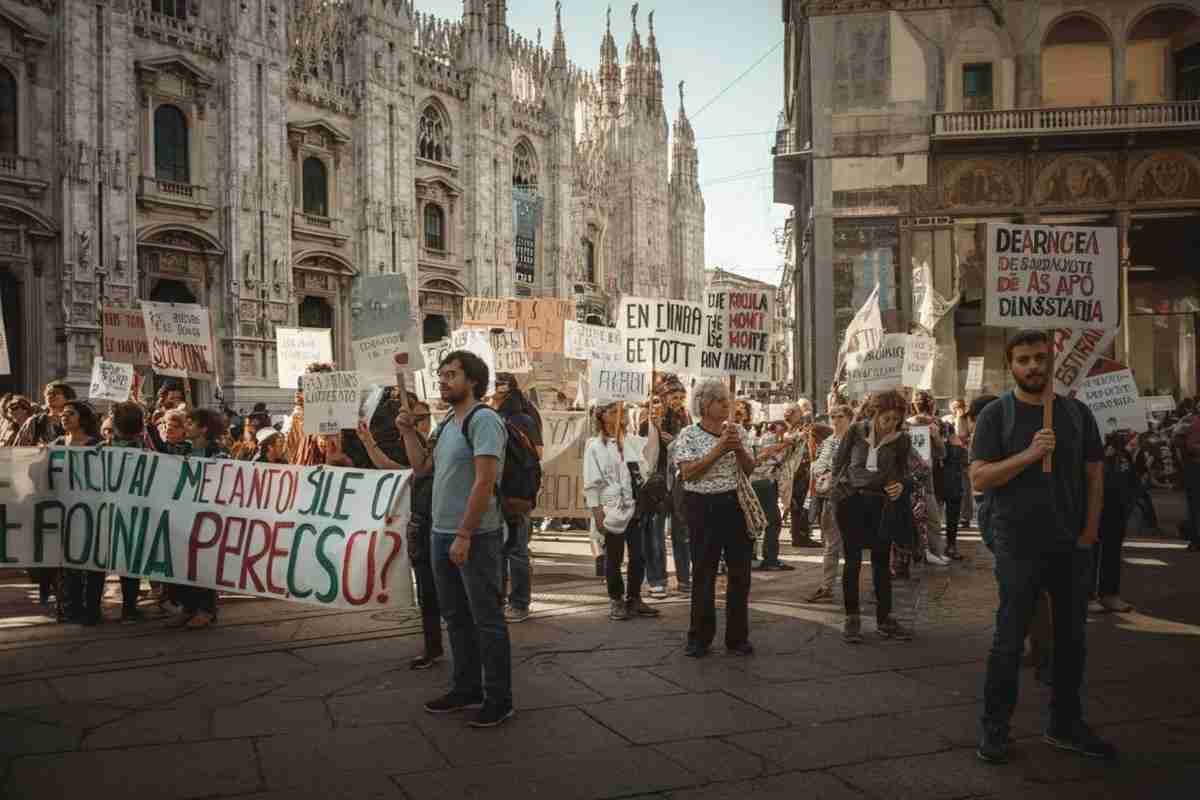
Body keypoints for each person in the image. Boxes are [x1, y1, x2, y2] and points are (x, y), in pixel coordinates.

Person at [972, 330, 1114, 765]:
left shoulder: (1076, 414)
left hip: (1070, 544)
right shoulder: (997, 415)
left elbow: (1094, 477)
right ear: (1010, 366)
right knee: (1009, 641)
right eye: (1023, 360)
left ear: (1050, 361)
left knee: (1072, 639)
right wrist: (1030, 454)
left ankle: (1064, 723)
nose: (1033, 366)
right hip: (1017, 542)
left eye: (1039, 358)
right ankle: (996, 727)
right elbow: (979, 478)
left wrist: (1089, 534)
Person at [397, 350, 514, 728]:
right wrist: (406, 432)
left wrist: (465, 533)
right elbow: (421, 467)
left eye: (451, 374)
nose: (444, 380)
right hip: (440, 532)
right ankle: (467, 688)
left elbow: (485, 480)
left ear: (473, 381)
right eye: (442, 374)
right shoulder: (448, 422)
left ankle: (498, 698)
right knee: (456, 617)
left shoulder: (484, 421)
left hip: (475, 535)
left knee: (486, 619)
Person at [361, 394, 445, 670]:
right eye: (412, 419)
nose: (418, 423)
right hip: (421, 526)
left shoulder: (440, 442)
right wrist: (368, 442)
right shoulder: (418, 447)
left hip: (444, 527)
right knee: (427, 593)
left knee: (452, 595)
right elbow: (398, 470)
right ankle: (433, 648)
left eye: (421, 418)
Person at [673, 378, 755, 658]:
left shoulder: (738, 431)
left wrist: (738, 448)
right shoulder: (688, 435)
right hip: (702, 506)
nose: (727, 406)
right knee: (704, 572)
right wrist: (719, 449)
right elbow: (688, 472)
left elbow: (749, 468)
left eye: (727, 401)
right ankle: (699, 638)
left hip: (734, 504)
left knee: (740, 573)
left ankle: (737, 637)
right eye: (721, 401)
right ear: (706, 405)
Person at [831, 389, 915, 644]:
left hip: (881, 504)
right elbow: (838, 463)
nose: (891, 424)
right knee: (853, 561)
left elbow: (905, 472)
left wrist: (900, 485)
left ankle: (884, 619)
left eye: (896, 420)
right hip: (851, 502)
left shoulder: (902, 440)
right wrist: (840, 490)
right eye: (886, 418)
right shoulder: (856, 431)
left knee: (881, 562)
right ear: (875, 413)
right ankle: (852, 619)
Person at [586, 401, 660, 622]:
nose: (621, 414)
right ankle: (616, 599)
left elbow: (647, 463)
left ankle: (635, 597)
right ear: (602, 417)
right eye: (613, 411)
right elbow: (592, 482)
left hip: (635, 509)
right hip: (612, 510)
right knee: (614, 558)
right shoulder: (595, 446)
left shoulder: (632, 442)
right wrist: (597, 512)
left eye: (624, 410)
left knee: (638, 556)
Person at [167, 408, 230, 630]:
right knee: (184, 564)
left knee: (203, 563)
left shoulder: (218, 452)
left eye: (191, 423)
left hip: (208, 516)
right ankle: (188, 607)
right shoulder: (181, 449)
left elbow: (226, 481)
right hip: (183, 514)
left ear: (203, 428)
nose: (187, 427)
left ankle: (206, 610)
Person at [491, 373, 541, 624]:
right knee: (504, 550)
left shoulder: (521, 418)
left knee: (515, 550)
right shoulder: (494, 415)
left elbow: (537, 452)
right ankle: (505, 602)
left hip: (511, 494)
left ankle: (518, 602)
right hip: (504, 494)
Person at [53, 401, 107, 625]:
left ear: (82, 418)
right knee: (68, 563)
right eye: (63, 414)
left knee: (92, 562)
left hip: (91, 510)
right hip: (64, 511)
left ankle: (92, 609)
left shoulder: (98, 446)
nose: (64, 417)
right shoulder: (56, 444)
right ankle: (71, 606)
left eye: (70, 413)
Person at [805, 404, 852, 603]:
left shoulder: (856, 441)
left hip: (849, 498)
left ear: (849, 418)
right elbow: (816, 468)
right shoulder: (827, 442)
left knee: (852, 546)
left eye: (840, 416)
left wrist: (834, 474)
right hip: (829, 498)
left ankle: (856, 589)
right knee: (831, 544)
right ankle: (826, 586)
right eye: (833, 416)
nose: (835, 420)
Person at [1091, 431, 1136, 614]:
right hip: (1093, 507)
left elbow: (1131, 480)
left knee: (1112, 552)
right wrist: (1104, 458)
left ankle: (1110, 594)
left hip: (1117, 509)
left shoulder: (1123, 454)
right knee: (1091, 552)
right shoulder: (1092, 450)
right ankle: (1088, 595)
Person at [639, 396, 679, 597]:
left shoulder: (671, 428)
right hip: (642, 488)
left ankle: (657, 579)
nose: (654, 409)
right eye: (650, 405)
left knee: (655, 534)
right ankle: (649, 577)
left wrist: (672, 443)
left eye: (657, 405)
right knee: (646, 535)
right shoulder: (641, 427)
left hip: (660, 490)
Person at [750, 406, 795, 572]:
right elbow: (763, 454)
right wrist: (783, 445)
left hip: (766, 481)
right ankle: (769, 559)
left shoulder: (770, 437)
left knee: (761, 520)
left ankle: (759, 556)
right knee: (773, 520)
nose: (784, 429)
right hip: (762, 481)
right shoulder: (768, 438)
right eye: (782, 426)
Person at [908, 391, 949, 566]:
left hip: (925, 475)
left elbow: (941, 453)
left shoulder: (934, 424)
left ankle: (933, 551)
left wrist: (935, 436)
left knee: (931, 515)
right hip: (914, 476)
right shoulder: (906, 425)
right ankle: (923, 552)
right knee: (924, 516)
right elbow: (942, 454)